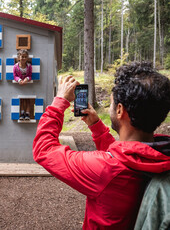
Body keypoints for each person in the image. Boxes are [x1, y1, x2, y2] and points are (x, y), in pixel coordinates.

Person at [33, 62, 170, 229]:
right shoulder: (161, 155)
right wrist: (97, 126)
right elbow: (127, 155)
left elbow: (44, 149)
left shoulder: (104, 169)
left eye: (111, 104)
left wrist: (59, 102)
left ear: (120, 111)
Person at [13, 49, 32, 121]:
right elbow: (15, 76)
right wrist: (19, 80)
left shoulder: (29, 66)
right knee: (21, 100)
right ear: (18, 57)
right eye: (22, 57)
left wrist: (27, 79)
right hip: (20, 85)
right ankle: (22, 112)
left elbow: (30, 75)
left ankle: (27, 113)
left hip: (27, 86)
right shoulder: (15, 67)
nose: (24, 58)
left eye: (25, 57)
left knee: (27, 99)